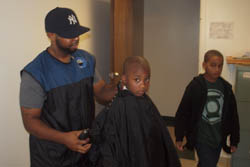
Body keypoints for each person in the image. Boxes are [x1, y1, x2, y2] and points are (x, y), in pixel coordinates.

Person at [19, 7, 116, 167]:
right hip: (52, 155)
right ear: (51, 35)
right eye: (69, 34)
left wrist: (121, 86)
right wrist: (64, 138)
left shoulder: (85, 60)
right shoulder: (35, 73)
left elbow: (101, 93)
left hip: (84, 149)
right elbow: (30, 122)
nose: (76, 37)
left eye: (77, 32)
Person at [89, 56, 181, 167]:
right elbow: (113, 142)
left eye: (146, 80)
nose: (143, 85)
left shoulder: (145, 101)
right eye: (137, 80)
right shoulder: (121, 104)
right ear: (124, 79)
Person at [175, 50, 240, 167]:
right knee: (208, 164)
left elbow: (233, 115)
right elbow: (182, 112)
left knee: (209, 163)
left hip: (218, 137)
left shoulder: (226, 88)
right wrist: (179, 136)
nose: (217, 69)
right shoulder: (195, 86)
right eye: (213, 65)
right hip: (201, 137)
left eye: (220, 66)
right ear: (204, 65)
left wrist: (234, 139)